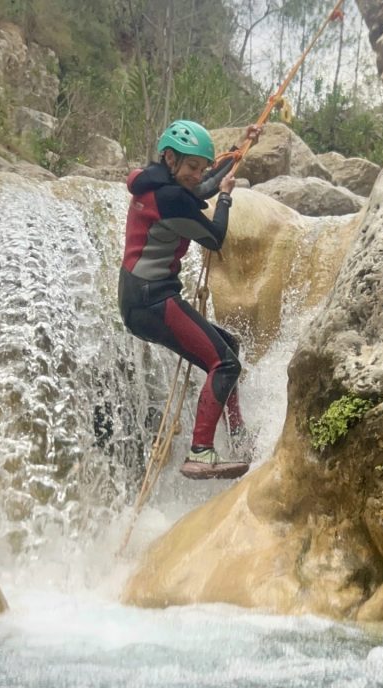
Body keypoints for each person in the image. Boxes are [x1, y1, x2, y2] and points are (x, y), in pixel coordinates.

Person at [118, 119, 260, 481]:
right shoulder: (168, 199)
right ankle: (200, 452)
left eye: (202, 166)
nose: (198, 174)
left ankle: (238, 434)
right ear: (170, 158)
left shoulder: (156, 179)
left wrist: (242, 146)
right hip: (151, 301)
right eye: (192, 167)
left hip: (146, 298)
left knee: (229, 346)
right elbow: (214, 237)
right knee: (225, 365)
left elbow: (200, 188)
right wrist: (226, 196)